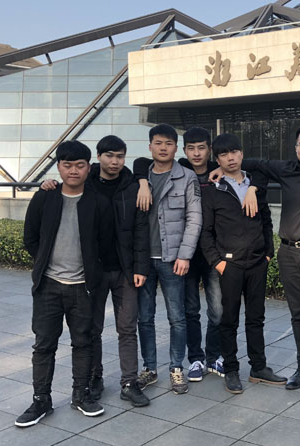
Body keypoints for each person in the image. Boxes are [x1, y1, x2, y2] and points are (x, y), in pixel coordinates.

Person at [214, 123, 300, 397]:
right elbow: (250, 163)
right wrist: (249, 184)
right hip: (289, 253)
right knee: (299, 315)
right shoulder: (284, 169)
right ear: (296, 148)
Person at [40, 136, 151, 407]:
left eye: (120, 156)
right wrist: (47, 184)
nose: (114, 162)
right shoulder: (85, 182)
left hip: (125, 270)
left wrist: (140, 267)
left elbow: (141, 230)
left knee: (127, 328)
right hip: (92, 271)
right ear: (98, 157)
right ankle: (94, 377)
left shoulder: (133, 186)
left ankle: (129, 382)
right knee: (92, 329)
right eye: (109, 156)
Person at [17, 140, 112, 427]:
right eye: (67, 165)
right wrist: (45, 263)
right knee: (44, 345)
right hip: (48, 286)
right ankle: (41, 400)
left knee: (83, 342)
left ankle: (81, 395)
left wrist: (93, 273)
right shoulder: (45, 198)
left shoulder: (98, 203)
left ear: (88, 168)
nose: (73, 171)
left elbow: (105, 245)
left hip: (83, 287)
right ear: (58, 167)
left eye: (79, 165)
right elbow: (30, 238)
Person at [134, 127, 228, 382]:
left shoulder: (208, 173)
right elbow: (139, 162)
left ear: (210, 150)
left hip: (206, 253)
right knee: (187, 311)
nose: (196, 153)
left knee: (216, 310)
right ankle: (194, 358)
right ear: (184, 150)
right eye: (191, 148)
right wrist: (141, 180)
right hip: (175, 256)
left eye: (201, 148)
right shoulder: (149, 174)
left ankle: (212, 356)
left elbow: (195, 218)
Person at [200, 134, 286, 393]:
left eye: (234, 152)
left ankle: (258, 367)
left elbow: (266, 221)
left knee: (256, 318)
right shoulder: (212, 190)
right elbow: (206, 232)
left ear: (241, 153)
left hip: (257, 262)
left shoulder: (255, 184)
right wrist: (218, 262)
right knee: (228, 320)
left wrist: (268, 253)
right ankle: (231, 369)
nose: (231, 158)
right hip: (230, 265)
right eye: (224, 154)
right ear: (217, 160)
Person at [136, 124, 202, 394]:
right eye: (158, 143)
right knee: (144, 317)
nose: (163, 148)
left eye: (169, 143)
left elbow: (194, 218)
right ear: (150, 146)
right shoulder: (139, 176)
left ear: (176, 148)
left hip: (172, 259)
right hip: (143, 261)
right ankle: (149, 368)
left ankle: (176, 368)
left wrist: (185, 255)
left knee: (177, 317)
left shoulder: (187, 177)